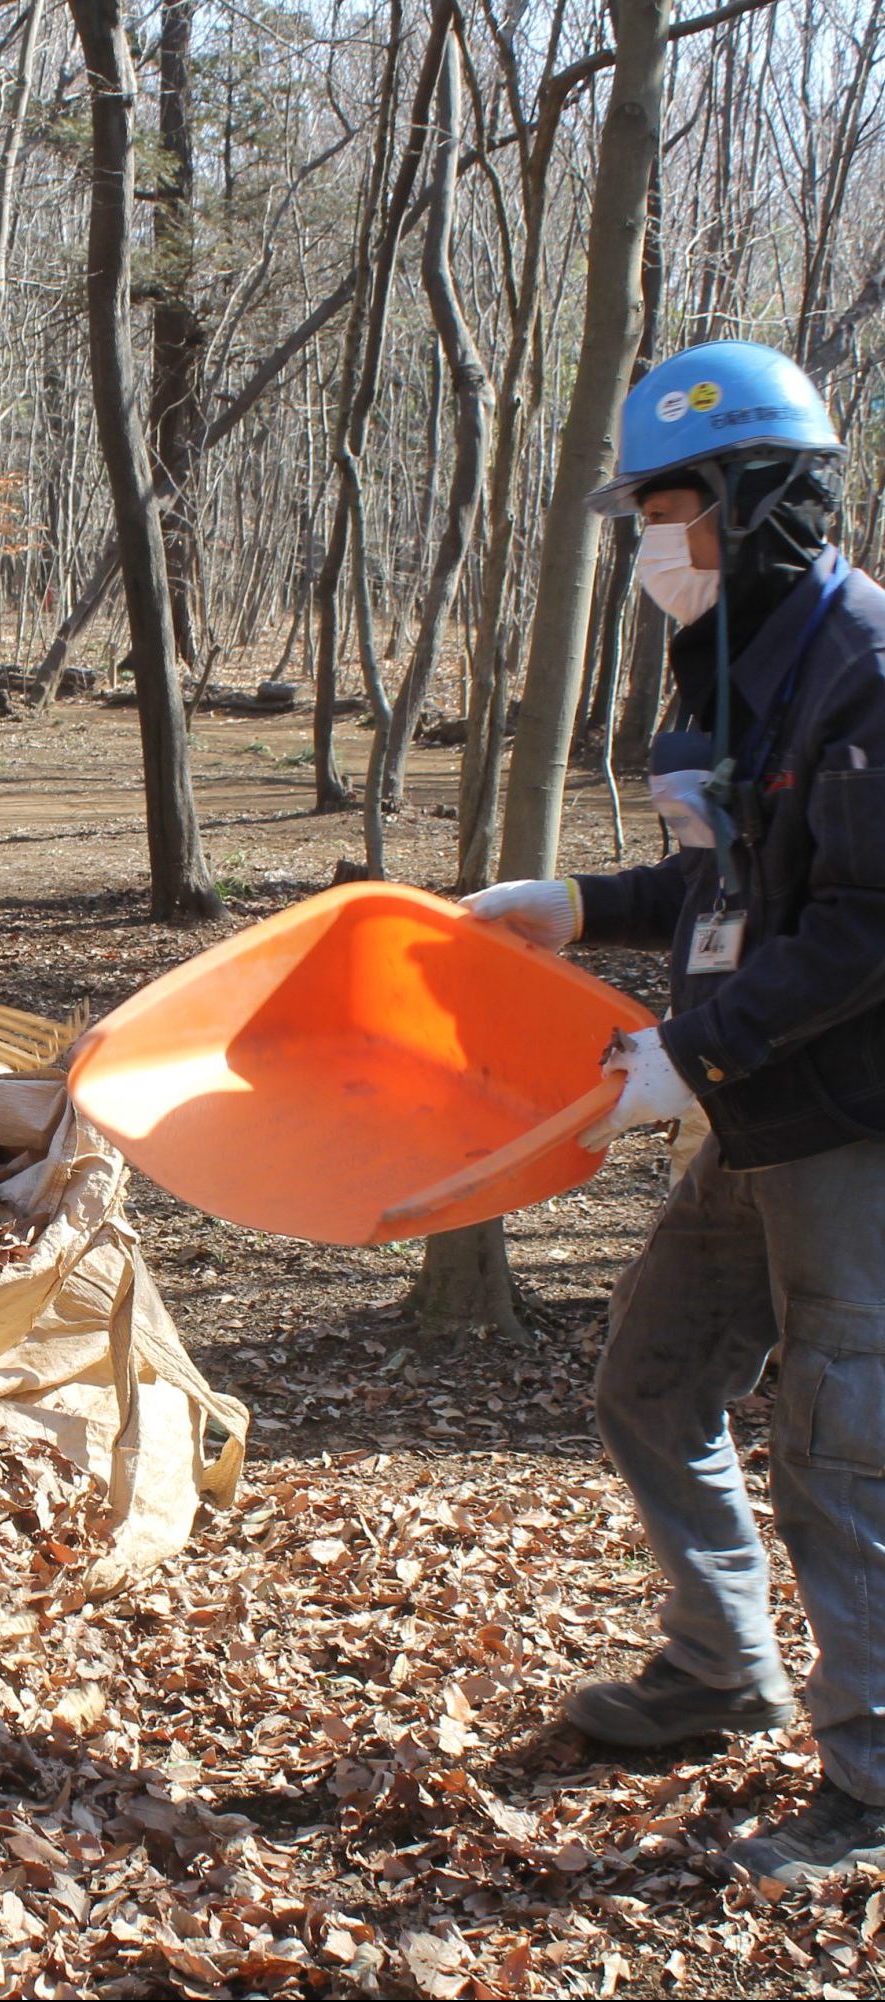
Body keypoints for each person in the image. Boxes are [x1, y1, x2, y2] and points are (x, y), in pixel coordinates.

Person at [467, 340, 885, 1888]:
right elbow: (732, 885)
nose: (652, 547)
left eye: (670, 510)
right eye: (645, 513)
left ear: (757, 500)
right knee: (649, 1378)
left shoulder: (864, 673)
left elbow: (861, 929)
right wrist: (575, 905)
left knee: (839, 1444)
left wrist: (686, 1056)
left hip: (846, 1112)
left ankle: (870, 1780)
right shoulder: (740, 659)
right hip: (752, 1099)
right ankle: (720, 1671)